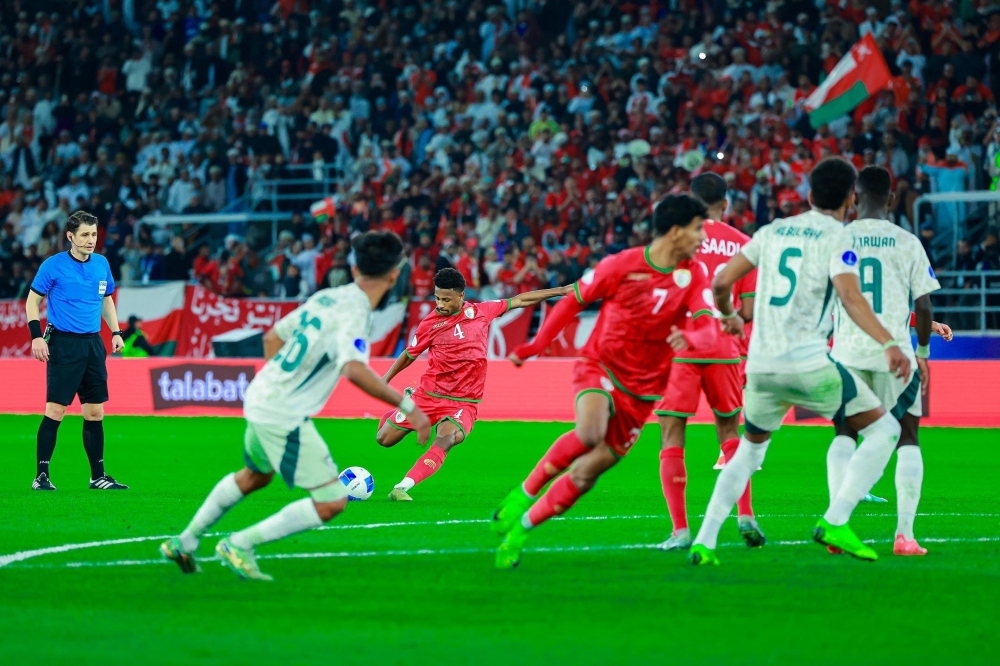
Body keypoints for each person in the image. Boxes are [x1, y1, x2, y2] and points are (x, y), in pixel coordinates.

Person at [159, 232, 432, 581]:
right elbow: (354, 368)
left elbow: (272, 337)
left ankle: (184, 541)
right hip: (282, 413)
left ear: (354, 265)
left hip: (261, 395)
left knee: (254, 476)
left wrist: (279, 383)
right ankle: (239, 544)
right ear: (395, 274)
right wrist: (409, 407)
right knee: (332, 500)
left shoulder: (328, 297)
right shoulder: (356, 311)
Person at [690, 157, 910, 565]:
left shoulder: (772, 231)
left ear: (808, 195)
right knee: (885, 430)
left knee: (748, 454)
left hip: (759, 368)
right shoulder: (839, 237)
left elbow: (722, 281)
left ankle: (705, 540)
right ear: (850, 200)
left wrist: (729, 317)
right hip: (809, 366)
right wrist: (889, 342)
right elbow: (849, 296)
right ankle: (836, 519)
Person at [492, 194, 716, 569]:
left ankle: (519, 532)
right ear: (676, 232)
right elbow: (572, 301)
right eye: (698, 229)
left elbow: (709, 326)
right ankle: (522, 494)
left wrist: (691, 339)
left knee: (586, 473)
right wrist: (535, 344)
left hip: (644, 391)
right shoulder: (621, 265)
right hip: (601, 366)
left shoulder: (694, 274)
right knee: (590, 431)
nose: (702, 237)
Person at [376, 267, 569, 501]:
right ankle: (405, 404)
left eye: (446, 299)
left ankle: (402, 487)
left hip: (464, 401)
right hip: (429, 395)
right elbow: (409, 354)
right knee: (384, 440)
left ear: (461, 296)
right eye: (437, 298)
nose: (440, 304)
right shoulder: (430, 324)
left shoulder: (481, 312)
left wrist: (559, 290)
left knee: (445, 439)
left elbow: (520, 300)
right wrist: (385, 380)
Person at [827, 166, 941, 556]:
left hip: (846, 354)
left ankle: (837, 527)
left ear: (854, 198)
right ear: (892, 200)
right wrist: (923, 353)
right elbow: (923, 305)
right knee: (907, 437)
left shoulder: (839, 237)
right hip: (898, 359)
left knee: (844, 432)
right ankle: (904, 535)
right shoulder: (907, 241)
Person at [652, 174, 761, 551]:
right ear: (725, 205)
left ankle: (680, 530)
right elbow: (747, 311)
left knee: (672, 434)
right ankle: (746, 514)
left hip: (681, 349)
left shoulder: (677, 240)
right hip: (727, 349)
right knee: (731, 435)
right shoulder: (744, 245)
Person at [25, 211, 128, 491]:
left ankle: (98, 477)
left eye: (94, 234)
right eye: (84, 234)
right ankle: (42, 476)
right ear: (70, 236)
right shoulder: (53, 265)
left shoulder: (101, 264)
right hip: (63, 344)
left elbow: (106, 301)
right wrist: (37, 338)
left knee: (95, 413)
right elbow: (32, 302)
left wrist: (116, 331)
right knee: (55, 411)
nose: (90, 240)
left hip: (93, 344)